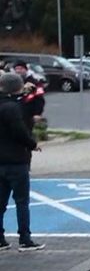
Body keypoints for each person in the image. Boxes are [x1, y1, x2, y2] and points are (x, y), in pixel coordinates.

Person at [0, 73, 44, 251]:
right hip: (16, 160)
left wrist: (21, 94)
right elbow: (19, 130)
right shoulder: (12, 108)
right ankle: (25, 239)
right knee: (22, 201)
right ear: (17, 87)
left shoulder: (7, 103)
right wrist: (32, 144)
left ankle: (0, 239)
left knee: (0, 202)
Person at [11, 61, 45, 132]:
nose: (18, 71)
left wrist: (37, 113)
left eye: (21, 69)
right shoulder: (12, 82)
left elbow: (39, 99)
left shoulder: (33, 83)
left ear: (26, 70)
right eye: (16, 69)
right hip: (14, 114)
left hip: (27, 114)